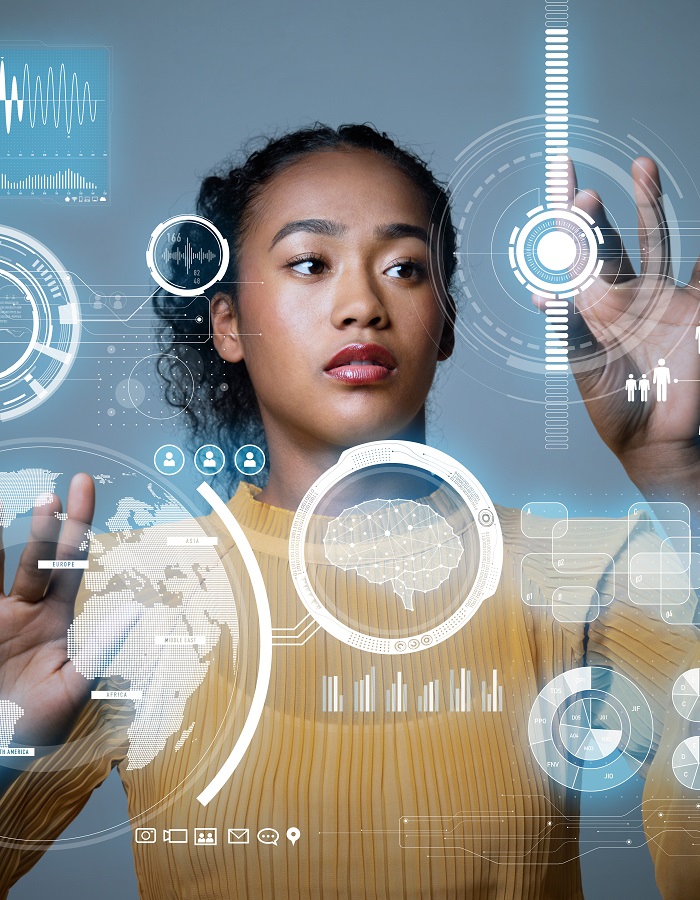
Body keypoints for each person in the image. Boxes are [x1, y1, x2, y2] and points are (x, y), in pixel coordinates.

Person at [0, 124, 698, 900]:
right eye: (309, 263)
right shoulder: (131, 594)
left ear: (447, 327)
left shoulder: (583, 574)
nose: (363, 304)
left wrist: (677, 472)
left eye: (405, 268)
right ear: (228, 323)